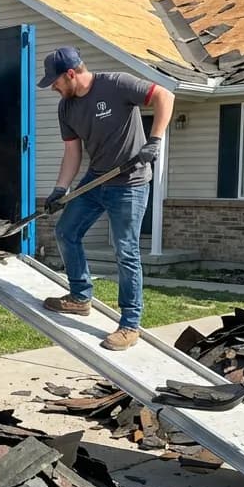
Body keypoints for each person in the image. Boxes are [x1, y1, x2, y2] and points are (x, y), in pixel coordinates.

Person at [37, 47, 174, 351]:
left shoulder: (116, 84)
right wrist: (60, 188)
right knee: (66, 231)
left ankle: (129, 324)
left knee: (126, 251)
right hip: (96, 179)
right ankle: (80, 296)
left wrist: (155, 141)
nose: (54, 88)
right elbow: (73, 152)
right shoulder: (67, 108)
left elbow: (165, 96)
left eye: (56, 82)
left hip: (130, 183)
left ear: (70, 73)